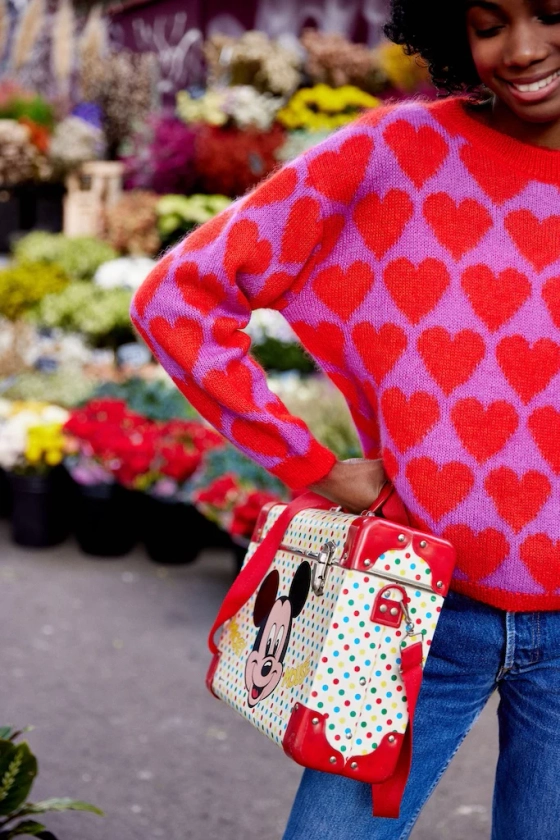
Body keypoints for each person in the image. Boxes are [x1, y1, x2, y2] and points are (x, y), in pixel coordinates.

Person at [131, 0, 560, 836]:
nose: (523, 48)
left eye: (551, 12)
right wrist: (312, 464)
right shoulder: (397, 154)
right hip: (416, 604)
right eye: (488, 21)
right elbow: (179, 298)